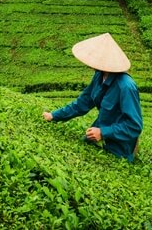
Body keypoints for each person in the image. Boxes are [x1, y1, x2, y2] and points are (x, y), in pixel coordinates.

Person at [42, 33, 143, 162]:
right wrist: (54, 116)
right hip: (97, 133)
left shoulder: (126, 87)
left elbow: (134, 126)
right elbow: (82, 103)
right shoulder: (99, 76)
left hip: (119, 148)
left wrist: (103, 132)